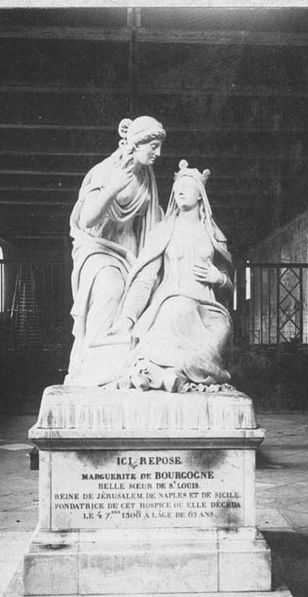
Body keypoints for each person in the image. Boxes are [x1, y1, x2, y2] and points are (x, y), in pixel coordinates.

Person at [111, 160, 233, 392]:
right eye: (177, 186)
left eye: (187, 184)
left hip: (208, 311)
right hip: (170, 301)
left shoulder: (214, 235)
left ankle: (168, 373)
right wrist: (128, 317)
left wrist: (219, 278)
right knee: (177, 311)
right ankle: (156, 373)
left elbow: (229, 288)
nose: (180, 190)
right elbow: (145, 279)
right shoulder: (164, 230)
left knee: (216, 334)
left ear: (201, 195)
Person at [65, 116, 166, 384]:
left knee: (152, 289)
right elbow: (87, 219)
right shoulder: (106, 170)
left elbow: (153, 221)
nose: (158, 153)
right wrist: (111, 189)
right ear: (137, 142)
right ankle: (94, 368)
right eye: (153, 146)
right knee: (110, 287)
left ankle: (125, 366)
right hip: (99, 249)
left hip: (132, 251)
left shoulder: (146, 177)